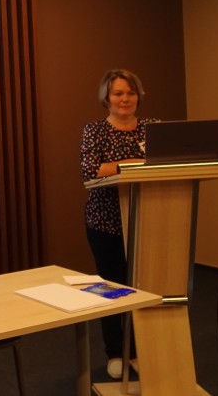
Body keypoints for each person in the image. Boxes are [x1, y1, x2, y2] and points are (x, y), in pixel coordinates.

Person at [79, 68, 158, 380]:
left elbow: (166, 162)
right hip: (106, 224)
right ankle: (115, 352)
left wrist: (116, 165)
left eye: (130, 93)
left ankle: (139, 349)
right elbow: (90, 170)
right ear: (107, 98)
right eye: (118, 93)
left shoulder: (153, 128)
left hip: (148, 221)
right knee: (112, 290)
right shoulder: (95, 131)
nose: (125, 99)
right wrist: (134, 162)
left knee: (144, 286)